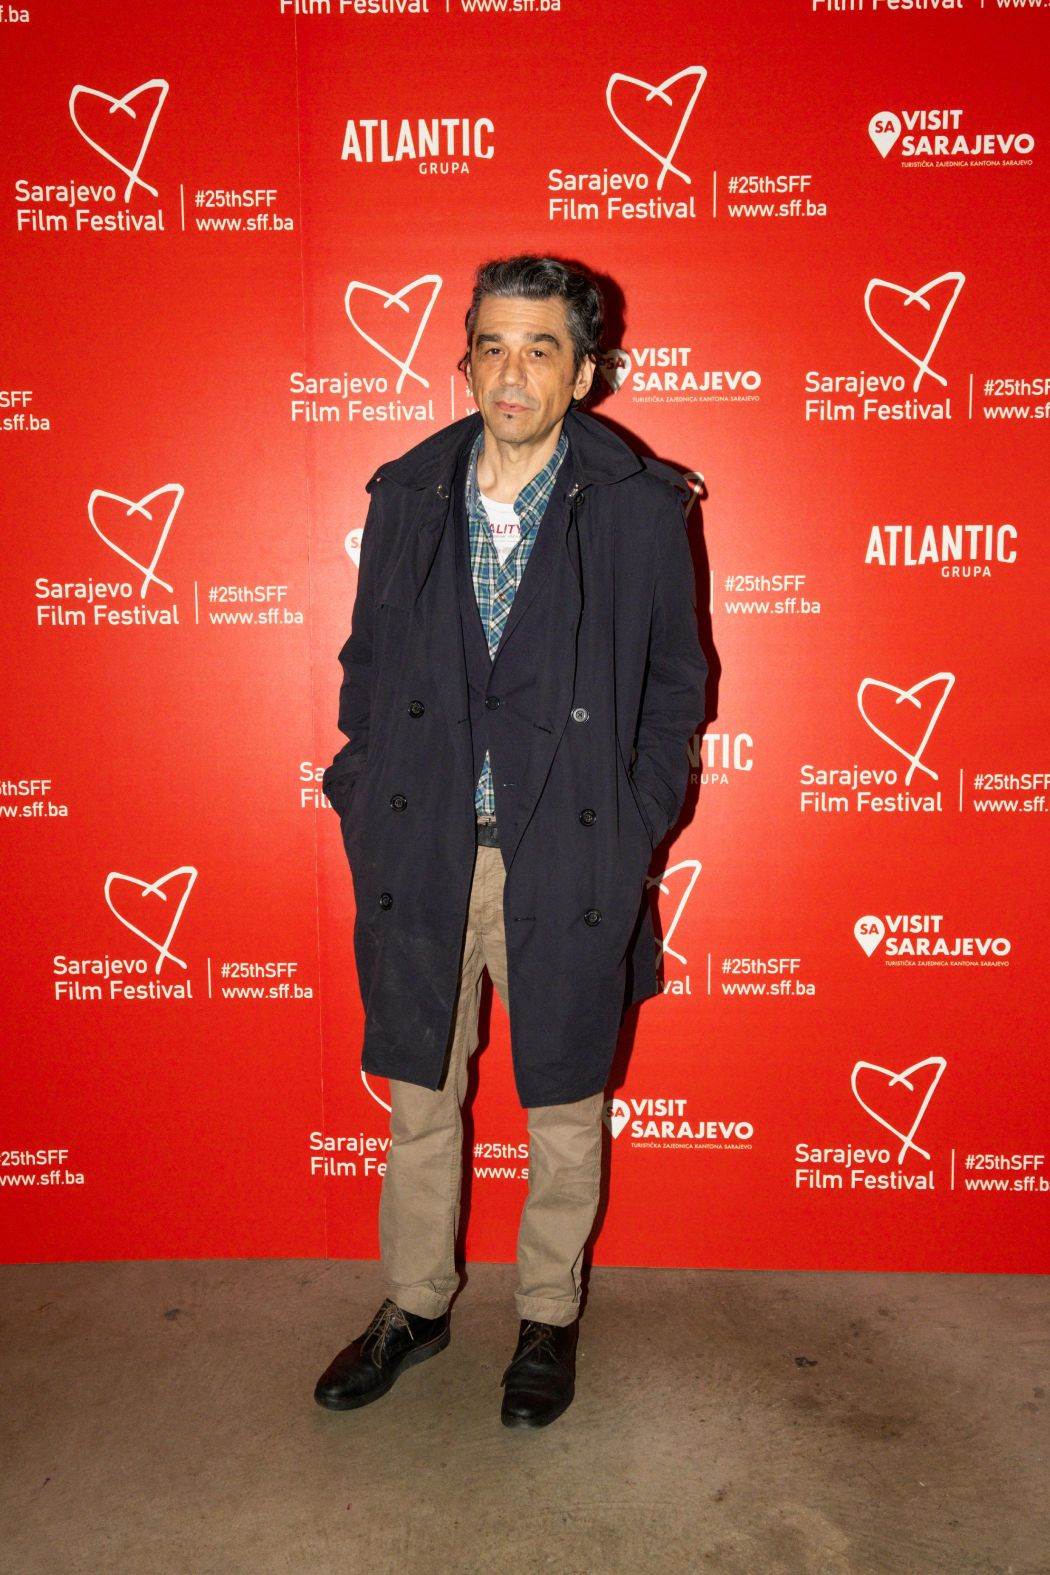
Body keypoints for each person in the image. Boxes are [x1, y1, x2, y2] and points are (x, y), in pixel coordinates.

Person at [314, 254, 707, 1428]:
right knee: (420, 1097)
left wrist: (630, 825)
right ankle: (415, 1306)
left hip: (570, 855)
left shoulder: (640, 506)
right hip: (426, 848)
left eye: (541, 349)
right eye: (492, 346)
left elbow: (676, 689)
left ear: (584, 373)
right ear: (466, 360)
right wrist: (362, 787)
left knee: (566, 1106)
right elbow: (365, 667)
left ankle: (545, 1318)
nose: (511, 373)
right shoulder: (407, 494)